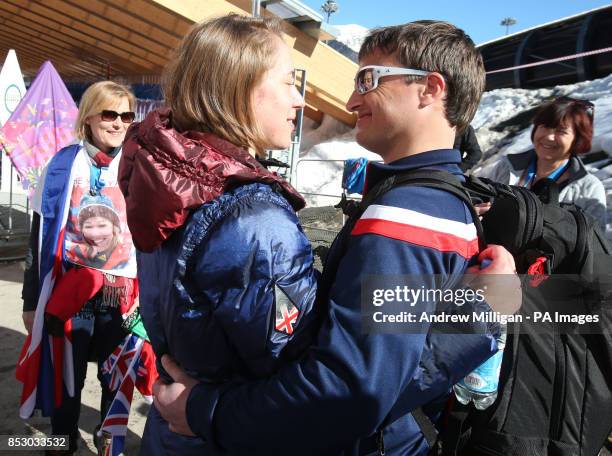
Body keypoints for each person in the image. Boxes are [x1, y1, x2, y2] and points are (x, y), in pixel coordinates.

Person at [153, 20, 521, 455]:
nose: (349, 100)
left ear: (430, 89)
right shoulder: (435, 199)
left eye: (369, 80)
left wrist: (205, 411)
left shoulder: (407, 214)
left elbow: (351, 391)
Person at [117, 14, 319, 455]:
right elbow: (296, 369)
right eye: (288, 82)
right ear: (241, 88)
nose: (299, 100)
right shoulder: (252, 216)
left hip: (174, 428)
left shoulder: (169, 179)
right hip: (226, 434)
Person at [18, 81, 139, 455]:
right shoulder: (61, 164)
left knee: (117, 375)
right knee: (65, 376)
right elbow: (39, 233)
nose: (119, 123)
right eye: (109, 114)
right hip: (71, 290)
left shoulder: (139, 164)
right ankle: (62, 441)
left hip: (124, 293)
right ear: (88, 117)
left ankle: (110, 442)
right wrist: (31, 297)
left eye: (126, 115)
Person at [476, 96, 606, 229]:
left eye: (561, 131)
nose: (549, 137)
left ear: (578, 139)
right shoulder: (506, 167)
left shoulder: (589, 189)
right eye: (545, 127)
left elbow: (594, 244)